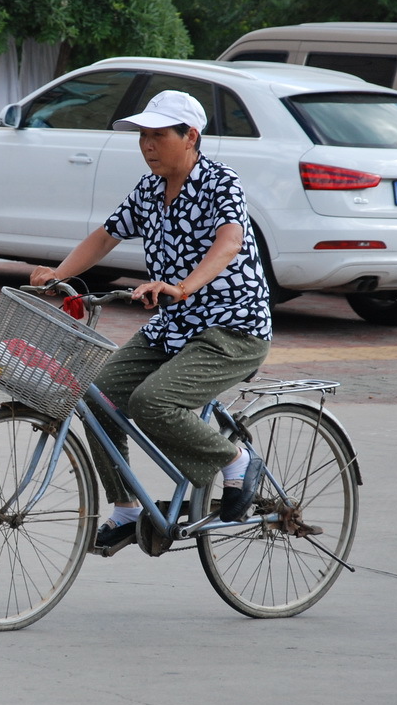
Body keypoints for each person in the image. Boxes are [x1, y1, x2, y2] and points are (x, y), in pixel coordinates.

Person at [29, 90, 273, 554]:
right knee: (96, 395)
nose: (147, 146)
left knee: (152, 402)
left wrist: (183, 286)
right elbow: (105, 236)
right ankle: (127, 510)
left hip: (231, 329)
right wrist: (58, 275)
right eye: (143, 136)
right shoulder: (148, 190)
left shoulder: (221, 183)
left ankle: (237, 460)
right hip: (173, 328)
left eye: (158, 135)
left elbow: (230, 240)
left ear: (191, 137)